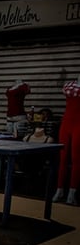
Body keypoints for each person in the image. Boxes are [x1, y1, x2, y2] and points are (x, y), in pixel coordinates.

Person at [53, 76, 80, 205]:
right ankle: (59, 190)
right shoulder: (70, 85)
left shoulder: (71, 87)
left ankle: (72, 193)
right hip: (67, 123)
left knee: (76, 159)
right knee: (62, 158)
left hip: (78, 125)